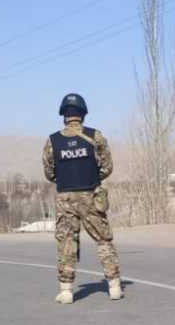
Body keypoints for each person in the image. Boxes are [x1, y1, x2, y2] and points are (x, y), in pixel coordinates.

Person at [42, 93, 122, 304]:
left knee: (67, 242)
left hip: (65, 198)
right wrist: (92, 178)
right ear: (83, 114)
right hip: (90, 195)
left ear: (64, 116)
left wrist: (66, 179)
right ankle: (114, 286)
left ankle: (66, 290)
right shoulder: (95, 136)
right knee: (103, 240)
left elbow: (49, 173)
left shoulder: (52, 141)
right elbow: (107, 166)